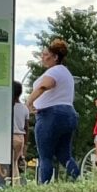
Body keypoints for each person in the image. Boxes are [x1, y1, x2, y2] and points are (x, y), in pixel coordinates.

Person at [29, 38, 80, 183]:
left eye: (46, 55)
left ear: (55, 57)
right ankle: (78, 179)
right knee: (65, 155)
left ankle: (44, 185)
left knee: (45, 155)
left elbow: (45, 85)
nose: (42, 57)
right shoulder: (66, 73)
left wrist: (30, 100)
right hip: (68, 113)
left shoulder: (54, 71)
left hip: (50, 115)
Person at [10, 80, 29, 184]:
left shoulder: (8, 106)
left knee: (11, 163)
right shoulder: (24, 108)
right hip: (20, 138)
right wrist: (25, 145)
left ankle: (13, 183)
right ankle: (16, 183)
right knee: (15, 162)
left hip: (10, 136)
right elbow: (26, 128)